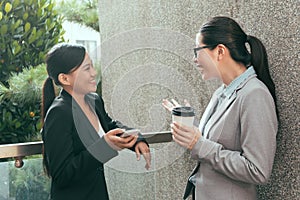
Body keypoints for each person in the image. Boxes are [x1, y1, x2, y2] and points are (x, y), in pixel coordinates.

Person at [162, 16, 278, 200]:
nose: (194, 59)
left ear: (220, 51)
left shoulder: (255, 94)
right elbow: (217, 141)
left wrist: (198, 144)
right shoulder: (221, 92)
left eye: (197, 51)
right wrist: (190, 124)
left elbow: (258, 171)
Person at [41, 43, 151, 200]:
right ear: (64, 78)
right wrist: (104, 147)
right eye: (86, 69)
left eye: (92, 66)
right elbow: (62, 175)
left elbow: (110, 126)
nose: (93, 73)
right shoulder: (59, 113)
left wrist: (136, 139)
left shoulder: (94, 100)